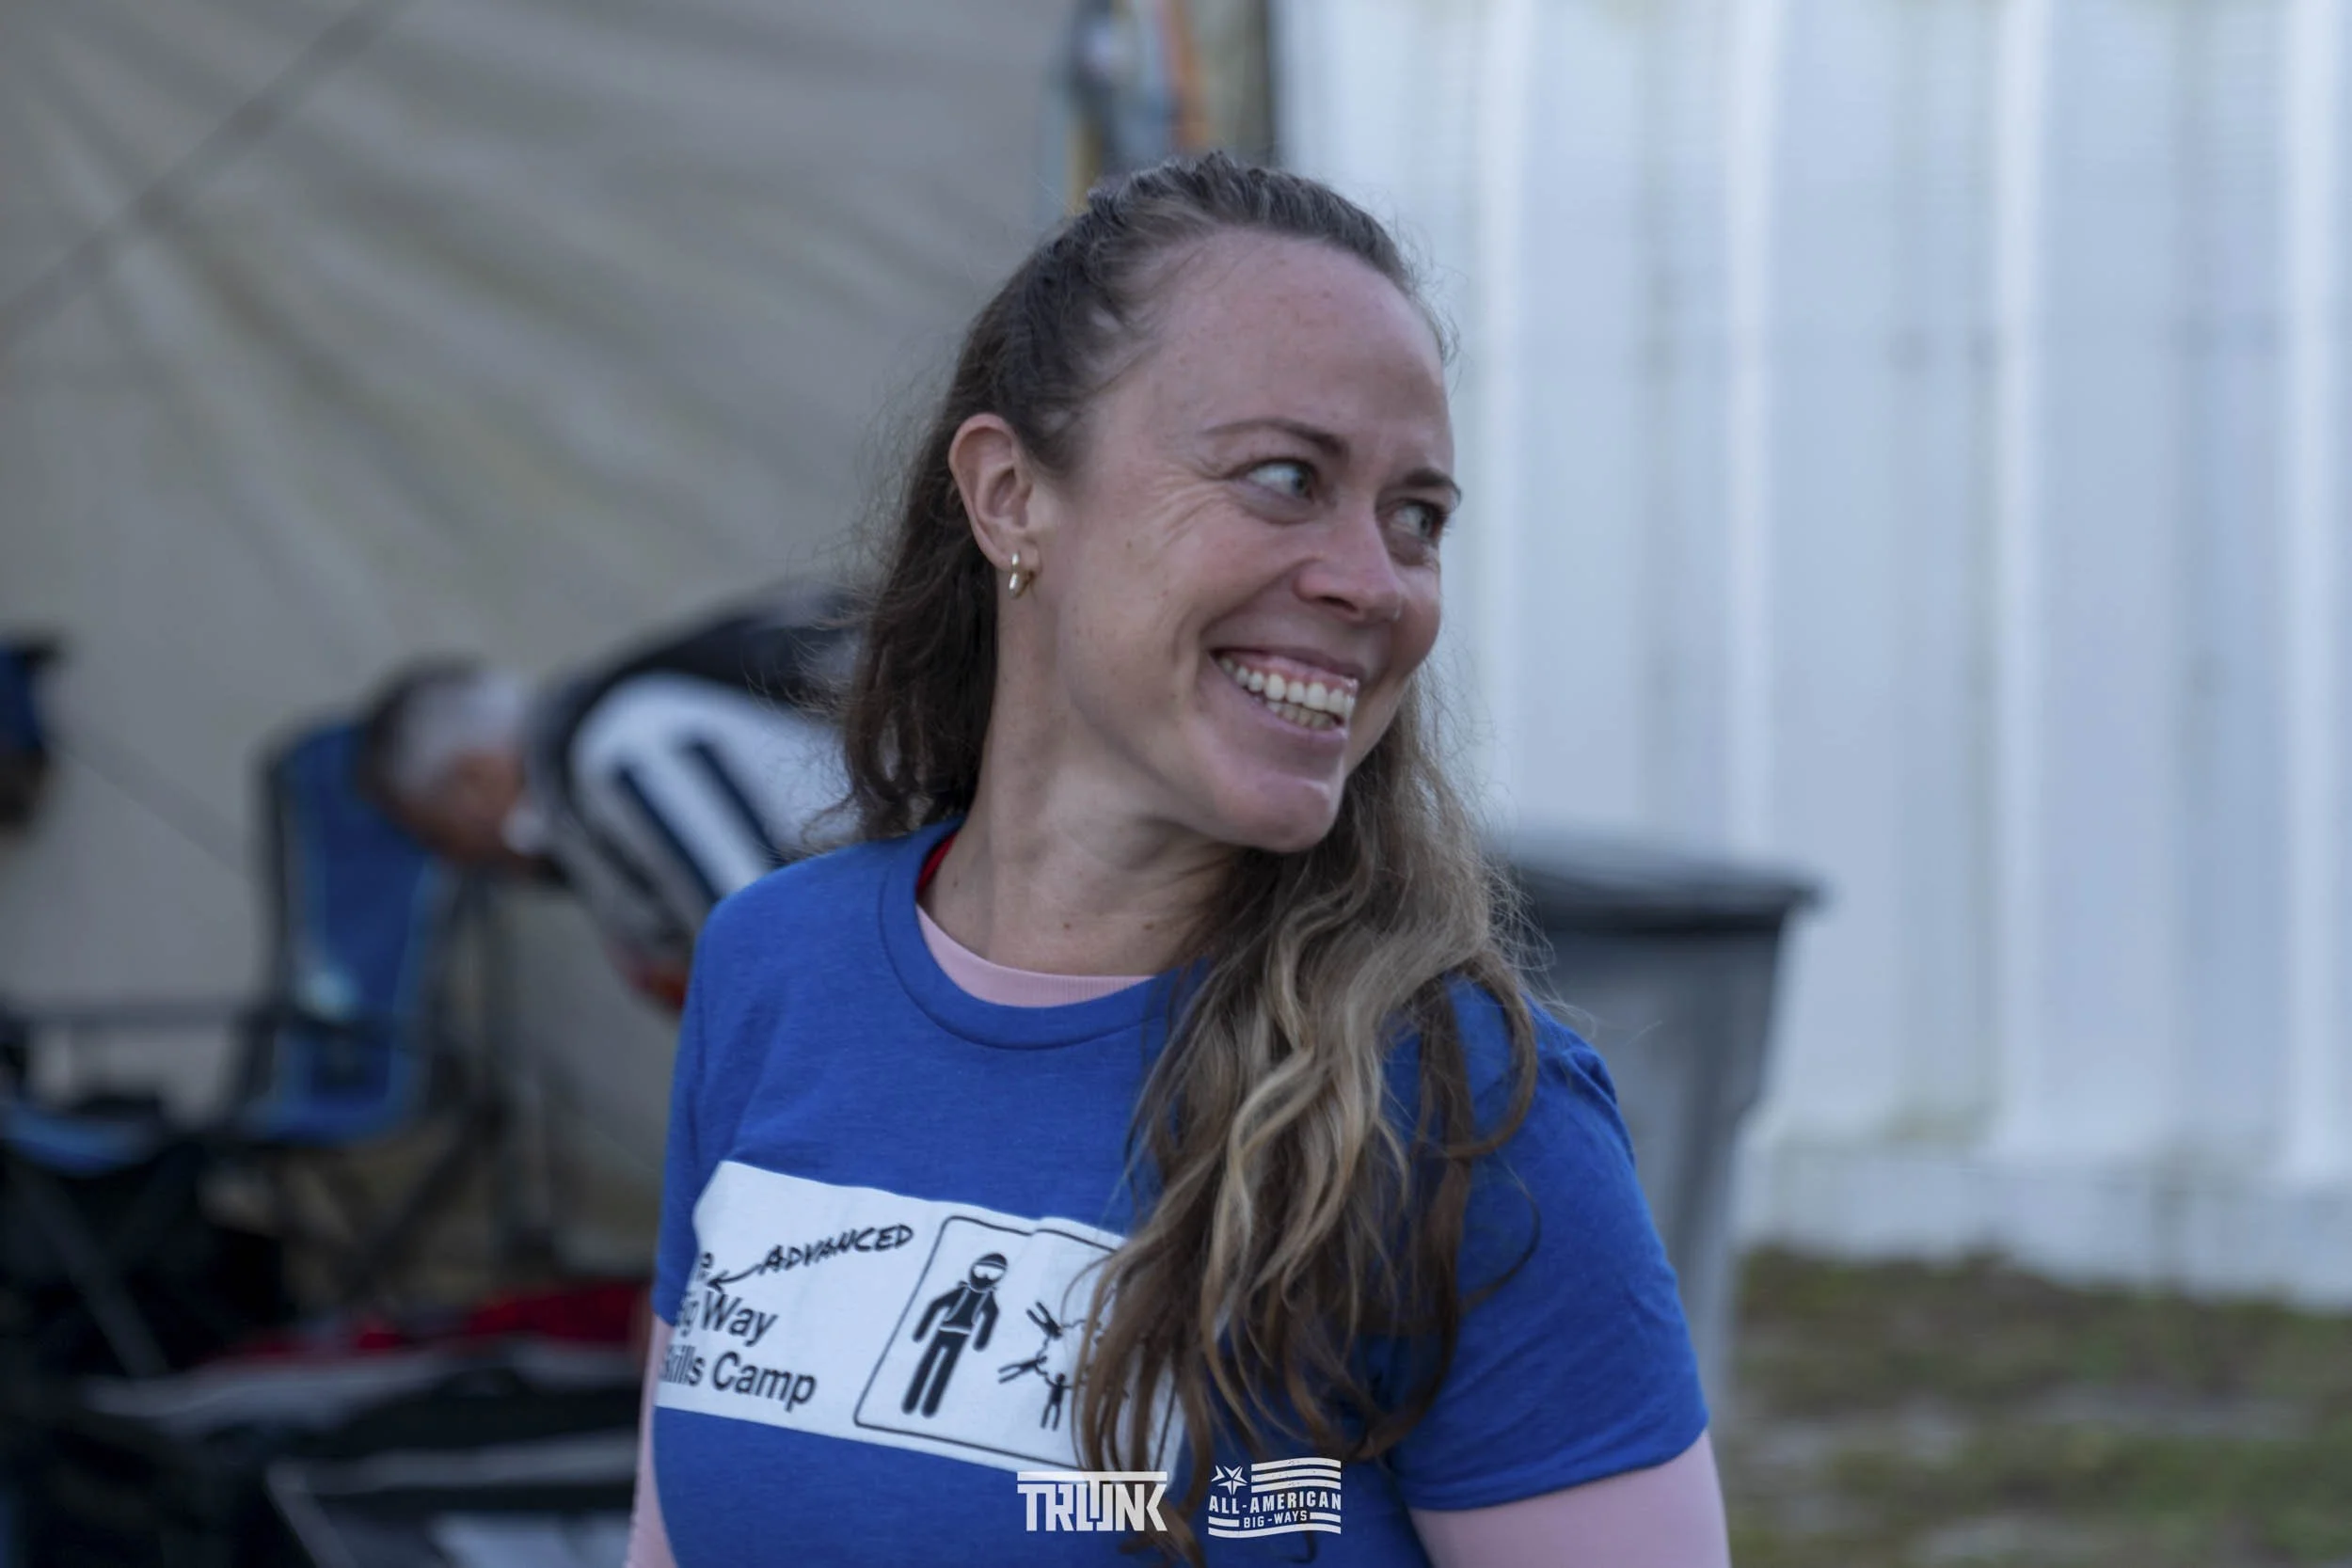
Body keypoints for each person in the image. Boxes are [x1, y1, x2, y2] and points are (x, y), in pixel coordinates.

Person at [629, 153, 1731, 1565]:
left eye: (1418, 517)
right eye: (1286, 477)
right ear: (1014, 494)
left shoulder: (1463, 1108)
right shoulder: (773, 967)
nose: (1377, 581)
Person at [356, 595, 854, 1006]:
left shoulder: (621, 750)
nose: (452, 860)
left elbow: (786, 953)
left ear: (474, 782)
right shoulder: (585, 807)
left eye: (437, 835)